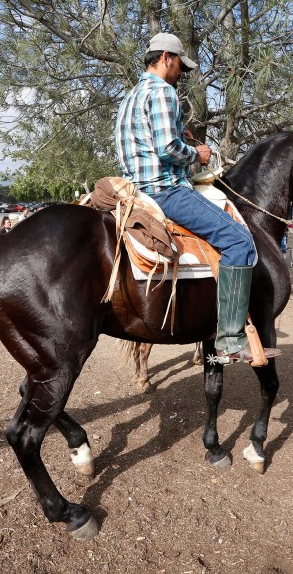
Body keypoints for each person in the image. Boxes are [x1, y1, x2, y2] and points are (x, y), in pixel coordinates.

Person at [115, 32, 257, 365]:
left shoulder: (131, 96)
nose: (182, 74)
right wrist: (197, 153)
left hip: (135, 188)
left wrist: (181, 134)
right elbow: (167, 149)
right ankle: (229, 340)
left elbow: (147, 143)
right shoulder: (163, 92)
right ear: (166, 57)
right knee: (240, 242)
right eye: (181, 65)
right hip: (165, 190)